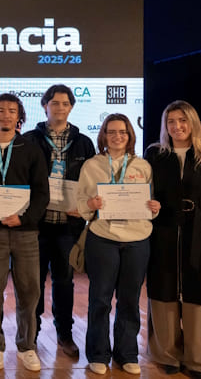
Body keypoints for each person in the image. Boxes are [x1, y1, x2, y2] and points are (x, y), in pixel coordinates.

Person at [144, 101, 201, 379]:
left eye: (182, 120)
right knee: (164, 291)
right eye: (171, 121)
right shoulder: (155, 154)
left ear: (193, 122)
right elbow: (145, 192)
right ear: (165, 125)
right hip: (163, 231)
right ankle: (167, 355)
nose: (177, 126)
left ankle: (200, 360)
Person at [76, 113, 161, 376]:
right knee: (100, 299)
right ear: (103, 135)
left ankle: (127, 354)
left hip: (137, 239)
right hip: (103, 237)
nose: (117, 136)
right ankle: (98, 354)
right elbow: (81, 203)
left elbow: (151, 203)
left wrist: (154, 207)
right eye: (111, 132)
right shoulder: (91, 165)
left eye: (122, 132)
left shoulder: (142, 166)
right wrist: (90, 204)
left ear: (130, 135)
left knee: (129, 299)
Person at [0, 93, 49, 372]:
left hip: (26, 233)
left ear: (19, 117)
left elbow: (42, 193)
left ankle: (26, 346)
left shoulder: (32, 149)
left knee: (29, 293)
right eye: (1, 110)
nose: (6, 115)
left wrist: (24, 218)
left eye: (12, 111)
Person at [23, 85, 95, 358]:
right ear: (45, 106)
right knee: (34, 282)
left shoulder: (84, 142)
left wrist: (84, 207)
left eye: (65, 103)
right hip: (37, 225)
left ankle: (65, 334)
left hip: (68, 226)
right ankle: (31, 334)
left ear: (71, 107)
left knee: (64, 282)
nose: (60, 107)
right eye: (54, 103)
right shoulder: (29, 140)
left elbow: (91, 184)